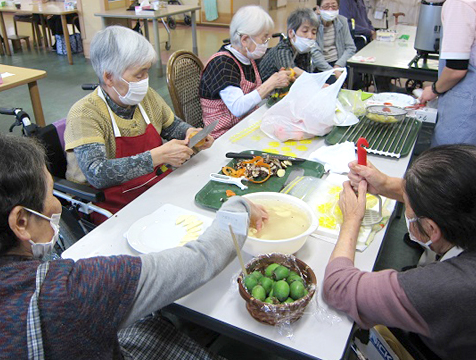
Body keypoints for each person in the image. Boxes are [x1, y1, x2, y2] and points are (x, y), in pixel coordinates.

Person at [0, 133, 267, 359]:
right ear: (21, 222)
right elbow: (202, 259)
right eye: (51, 193)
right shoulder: (70, 292)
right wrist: (237, 209)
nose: (56, 205)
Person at [323, 145, 476, 359]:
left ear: (432, 229)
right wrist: (385, 184)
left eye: (409, 210)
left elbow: (338, 287)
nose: (407, 212)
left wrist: (351, 218)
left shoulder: (448, 285)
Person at [64, 26, 214, 223]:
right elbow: (97, 173)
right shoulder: (85, 113)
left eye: (146, 72)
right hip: (112, 210)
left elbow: (172, 126)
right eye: (138, 75)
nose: (145, 81)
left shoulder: (146, 97)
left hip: (154, 189)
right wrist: (157, 156)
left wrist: (192, 134)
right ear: (109, 77)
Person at [199, 5, 292, 139]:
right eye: (264, 38)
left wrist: (276, 84)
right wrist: (270, 84)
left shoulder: (248, 58)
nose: (266, 43)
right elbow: (238, 107)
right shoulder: (222, 64)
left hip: (244, 126)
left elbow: (252, 96)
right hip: (222, 137)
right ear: (244, 40)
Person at [419, 0, 476, 147]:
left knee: (450, 163)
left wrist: (433, 89)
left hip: (465, 106)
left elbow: (456, 69)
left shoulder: (459, 4)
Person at [259, 8, 319, 81]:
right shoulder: (282, 50)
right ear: (291, 33)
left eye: (314, 32)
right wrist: (316, 82)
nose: (310, 36)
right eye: (305, 31)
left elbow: (307, 73)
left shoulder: (304, 50)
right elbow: (291, 72)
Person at [312, 0, 356, 84]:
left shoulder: (342, 21)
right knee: (332, 82)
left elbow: (350, 47)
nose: (330, 9)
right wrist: (332, 71)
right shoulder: (313, 23)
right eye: (326, 6)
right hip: (320, 65)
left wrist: (338, 66)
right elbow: (314, 53)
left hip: (339, 62)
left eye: (334, 6)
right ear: (318, 9)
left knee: (356, 80)